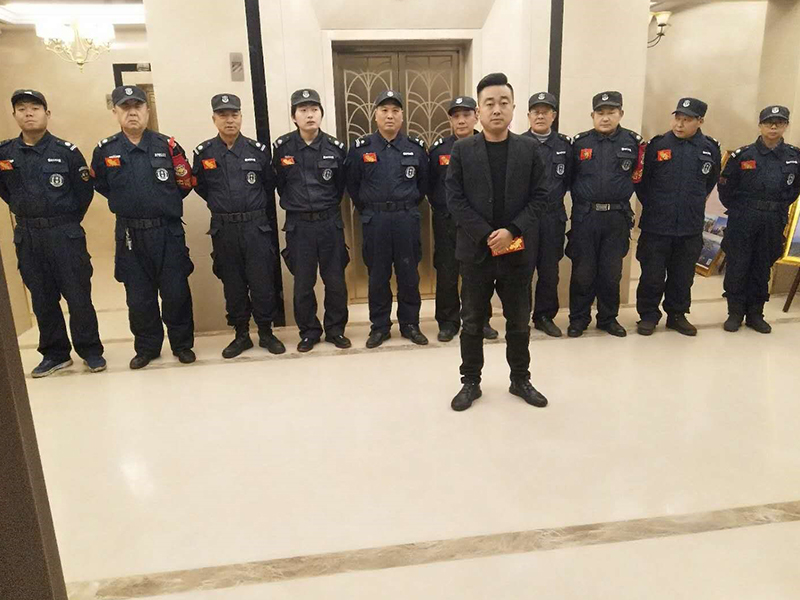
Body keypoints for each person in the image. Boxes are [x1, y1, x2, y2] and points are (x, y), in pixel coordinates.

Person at [446, 72, 550, 412]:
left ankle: (520, 379)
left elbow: (540, 197)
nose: (496, 109)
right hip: (475, 252)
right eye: (489, 103)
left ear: (513, 108)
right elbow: (455, 199)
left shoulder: (529, 149)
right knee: (472, 321)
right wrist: (486, 235)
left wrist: (511, 231)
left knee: (519, 321)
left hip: (516, 251)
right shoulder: (462, 150)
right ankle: (470, 382)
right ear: (478, 111)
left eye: (504, 102)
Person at [0, 89, 104, 377]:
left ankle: (90, 350)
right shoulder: (5, 153)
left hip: (64, 233)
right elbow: (6, 192)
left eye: (35, 108)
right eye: (22, 108)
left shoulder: (66, 152)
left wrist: (63, 220)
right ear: (14, 115)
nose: (29, 113)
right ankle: (55, 353)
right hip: (28, 236)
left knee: (78, 295)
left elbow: (83, 192)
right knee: (42, 298)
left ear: (47, 114)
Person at [92, 85, 195, 369]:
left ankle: (182, 345)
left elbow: (184, 184)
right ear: (115, 112)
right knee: (139, 297)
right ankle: (147, 348)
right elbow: (101, 185)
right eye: (125, 107)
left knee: (176, 292)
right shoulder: (105, 150)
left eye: (137, 106)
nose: (132, 112)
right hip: (130, 235)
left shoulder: (168, 146)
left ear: (147, 110)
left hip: (167, 231)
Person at [192, 93, 286, 358]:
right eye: (223, 115)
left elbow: (269, 185)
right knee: (232, 283)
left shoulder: (258, 151)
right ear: (214, 119)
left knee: (262, 281)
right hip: (224, 229)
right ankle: (241, 334)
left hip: (255, 227)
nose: (229, 120)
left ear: (241, 117)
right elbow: (201, 186)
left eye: (234, 115)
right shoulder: (204, 153)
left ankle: (266, 332)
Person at [345, 90, 430, 348]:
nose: (389, 116)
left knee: (409, 274)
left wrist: (405, 205)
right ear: (375, 116)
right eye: (384, 110)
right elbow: (352, 184)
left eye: (395, 111)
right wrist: (371, 208)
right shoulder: (361, 149)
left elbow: (423, 185)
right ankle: (380, 327)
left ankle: (410, 324)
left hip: (406, 218)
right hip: (376, 220)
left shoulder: (415, 148)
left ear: (402, 116)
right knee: (378, 276)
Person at [634, 97, 721, 336]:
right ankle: (648, 315)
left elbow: (709, 182)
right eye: (677, 118)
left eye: (687, 120)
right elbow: (642, 182)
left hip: (689, 226)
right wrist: (658, 206)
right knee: (652, 275)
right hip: (656, 225)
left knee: (682, 276)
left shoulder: (710, 149)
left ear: (700, 121)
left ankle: (677, 315)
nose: (679, 124)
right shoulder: (657, 145)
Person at [272, 89, 350, 353]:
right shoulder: (282, 148)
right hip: (299, 226)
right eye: (303, 110)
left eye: (314, 109)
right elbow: (280, 184)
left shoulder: (335, 148)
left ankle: (336, 330)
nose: (309, 115)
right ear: (294, 116)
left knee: (335, 282)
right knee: (303, 284)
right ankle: (309, 332)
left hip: (329, 223)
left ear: (321, 114)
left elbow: (340, 187)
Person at [567, 91, 645, 338]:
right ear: (592, 115)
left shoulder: (634, 143)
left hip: (616, 218)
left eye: (611, 112)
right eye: (600, 113)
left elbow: (641, 177)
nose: (605, 117)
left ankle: (608, 318)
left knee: (611, 274)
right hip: (586, 216)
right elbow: (568, 178)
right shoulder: (579, 144)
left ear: (620, 114)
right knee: (583, 272)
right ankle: (578, 319)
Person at [719, 105, 800, 333]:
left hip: (773, 219)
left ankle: (756, 313)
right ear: (760, 126)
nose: (773, 127)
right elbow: (725, 187)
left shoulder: (794, 157)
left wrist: (775, 207)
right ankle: (735, 312)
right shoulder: (743, 155)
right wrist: (741, 209)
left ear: (785, 126)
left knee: (762, 266)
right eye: (768, 123)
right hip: (743, 218)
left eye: (779, 123)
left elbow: (795, 189)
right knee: (738, 265)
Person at [428, 95, 498, 342]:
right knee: (447, 273)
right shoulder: (439, 150)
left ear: (476, 116)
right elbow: (429, 185)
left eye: (466, 115)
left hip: (478, 224)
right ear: (450, 120)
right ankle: (448, 322)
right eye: (456, 116)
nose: (461, 120)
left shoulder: (489, 145)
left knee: (479, 273)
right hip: (446, 222)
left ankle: (481, 320)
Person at [522, 91, 572, 337]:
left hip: (553, 217)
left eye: (545, 112)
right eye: (536, 111)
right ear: (528, 115)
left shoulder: (565, 146)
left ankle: (544, 316)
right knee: (522, 270)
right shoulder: (517, 144)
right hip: (525, 219)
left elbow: (571, 180)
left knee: (549, 270)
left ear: (553, 116)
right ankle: (520, 316)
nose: (540, 116)